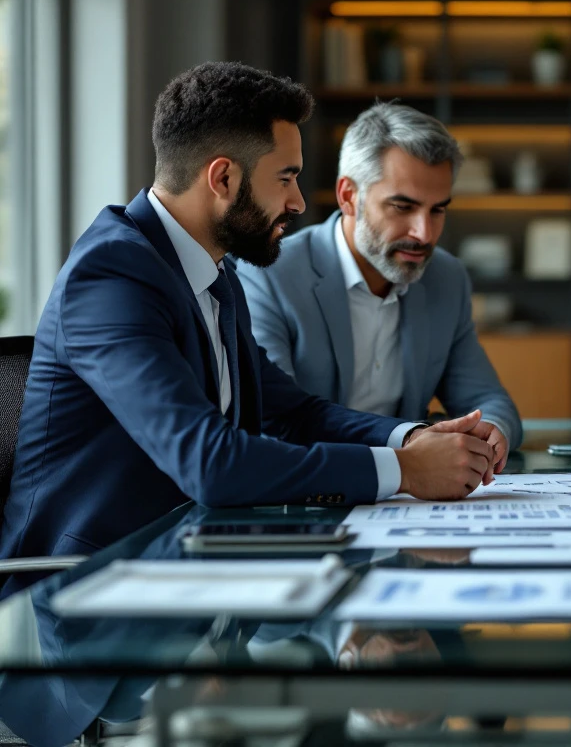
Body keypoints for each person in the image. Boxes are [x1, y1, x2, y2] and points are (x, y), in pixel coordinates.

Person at [0, 63, 496, 598]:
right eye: (285, 177)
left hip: (186, 579)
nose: (299, 202)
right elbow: (210, 462)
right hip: (78, 604)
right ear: (223, 178)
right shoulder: (111, 276)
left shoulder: (213, 272)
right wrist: (402, 470)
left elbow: (291, 411)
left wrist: (412, 437)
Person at [236, 102, 522, 473]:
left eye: (437, 210)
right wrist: (412, 443)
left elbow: (487, 399)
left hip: (414, 504)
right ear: (348, 196)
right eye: (402, 207)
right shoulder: (270, 274)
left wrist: (489, 433)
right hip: (316, 496)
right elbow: (277, 424)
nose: (424, 233)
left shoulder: (446, 278)